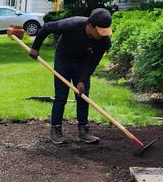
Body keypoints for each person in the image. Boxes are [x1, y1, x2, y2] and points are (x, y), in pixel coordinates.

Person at [29, 8, 113, 145]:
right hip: (64, 59)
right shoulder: (72, 24)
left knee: (83, 96)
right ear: (90, 26)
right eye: (100, 31)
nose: (103, 35)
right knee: (61, 96)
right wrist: (35, 47)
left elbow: (93, 61)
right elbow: (47, 27)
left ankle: (83, 131)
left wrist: (82, 80)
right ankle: (55, 129)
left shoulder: (104, 41)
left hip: (83, 62)